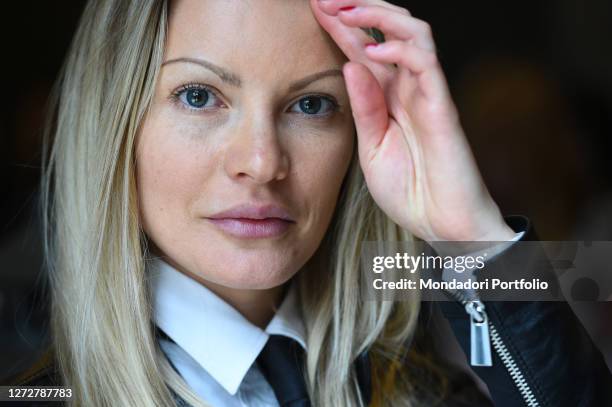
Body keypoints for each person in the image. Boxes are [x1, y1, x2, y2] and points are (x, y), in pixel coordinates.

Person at [3, 0, 610, 406]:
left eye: (312, 105)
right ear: (115, 124)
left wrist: (471, 234)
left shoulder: (418, 392)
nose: (263, 162)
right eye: (198, 95)